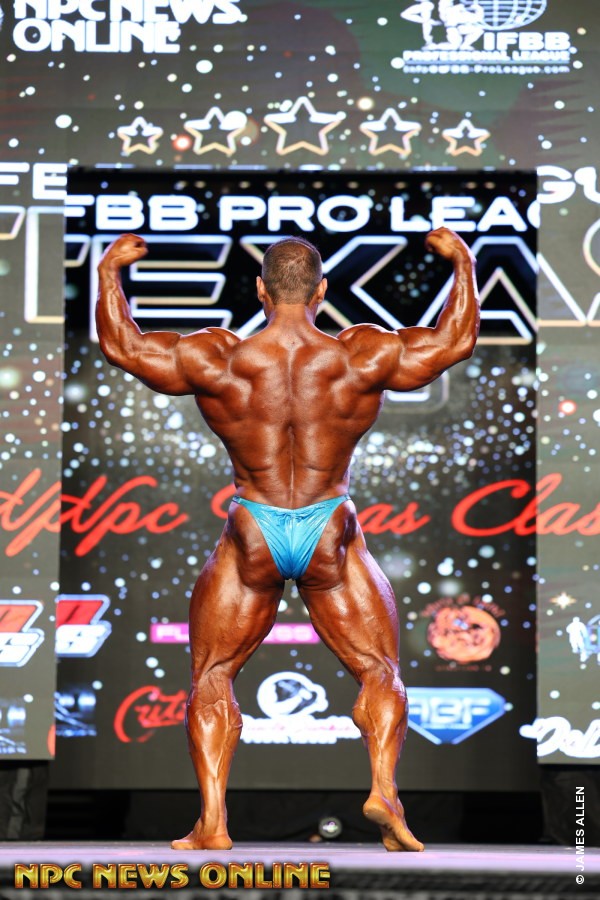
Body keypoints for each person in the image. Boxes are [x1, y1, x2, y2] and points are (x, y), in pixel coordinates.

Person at [96, 226, 479, 852]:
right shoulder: (359, 355)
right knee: (378, 669)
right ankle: (384, 790)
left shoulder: (219, 357)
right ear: (322, 291)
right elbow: (453, 341)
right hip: (329, 524)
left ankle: (213, 822)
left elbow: (124, 347)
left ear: (260, 290)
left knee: (213, 672)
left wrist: (110, 271)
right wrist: (462, 262)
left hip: (255, 524)